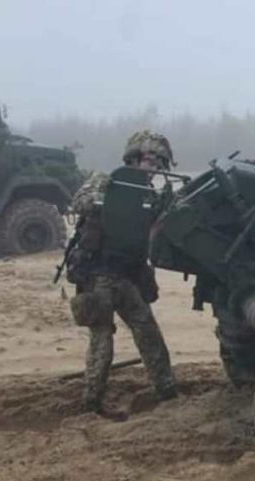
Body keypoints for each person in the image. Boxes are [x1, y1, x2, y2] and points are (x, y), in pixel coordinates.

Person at [66, 130, 177, 416]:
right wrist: (107, 201)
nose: (153, 167)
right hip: (97, 274)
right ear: (135, 157)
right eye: (150, 160)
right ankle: (91, 404)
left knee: (148, 333)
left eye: (158, 163)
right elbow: (80, 202)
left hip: (126, 277)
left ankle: (167, 393)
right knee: (102, 340)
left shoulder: (150, 194)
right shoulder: (106, 181)